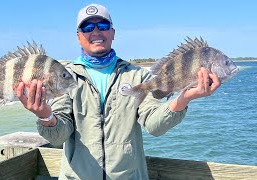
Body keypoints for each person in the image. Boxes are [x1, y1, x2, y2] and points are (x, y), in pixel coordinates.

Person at [16, 3, 221, 179]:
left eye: (102, 25)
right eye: (87, 27)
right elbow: (58, 137)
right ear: (79, 37)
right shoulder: (65, 78)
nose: (95, 32)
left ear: (112, 33)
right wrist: (45, 116)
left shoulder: (137, 76)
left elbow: (154, 125)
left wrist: (185, 98)